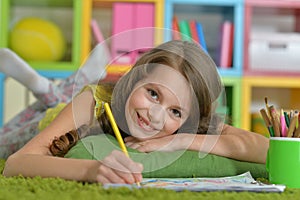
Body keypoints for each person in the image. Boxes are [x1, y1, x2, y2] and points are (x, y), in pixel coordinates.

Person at [2, 40, 269, 185]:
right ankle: (55, 88)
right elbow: (14, 164)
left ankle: (52, 86)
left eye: (175, 111)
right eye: (153, 93)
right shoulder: (91, 102)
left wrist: (180, 139)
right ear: (132, 80)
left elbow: (267, 150)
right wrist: (92, 170)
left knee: (62, 93)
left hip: (78, 97)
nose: (155, 115)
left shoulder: (187, 127)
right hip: (45, 122)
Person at [0, 44, 109, 159]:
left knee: (54, 108)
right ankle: (47, 89)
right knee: (54, 107)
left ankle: (53, 87)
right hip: (57, 127)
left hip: (54, 126)